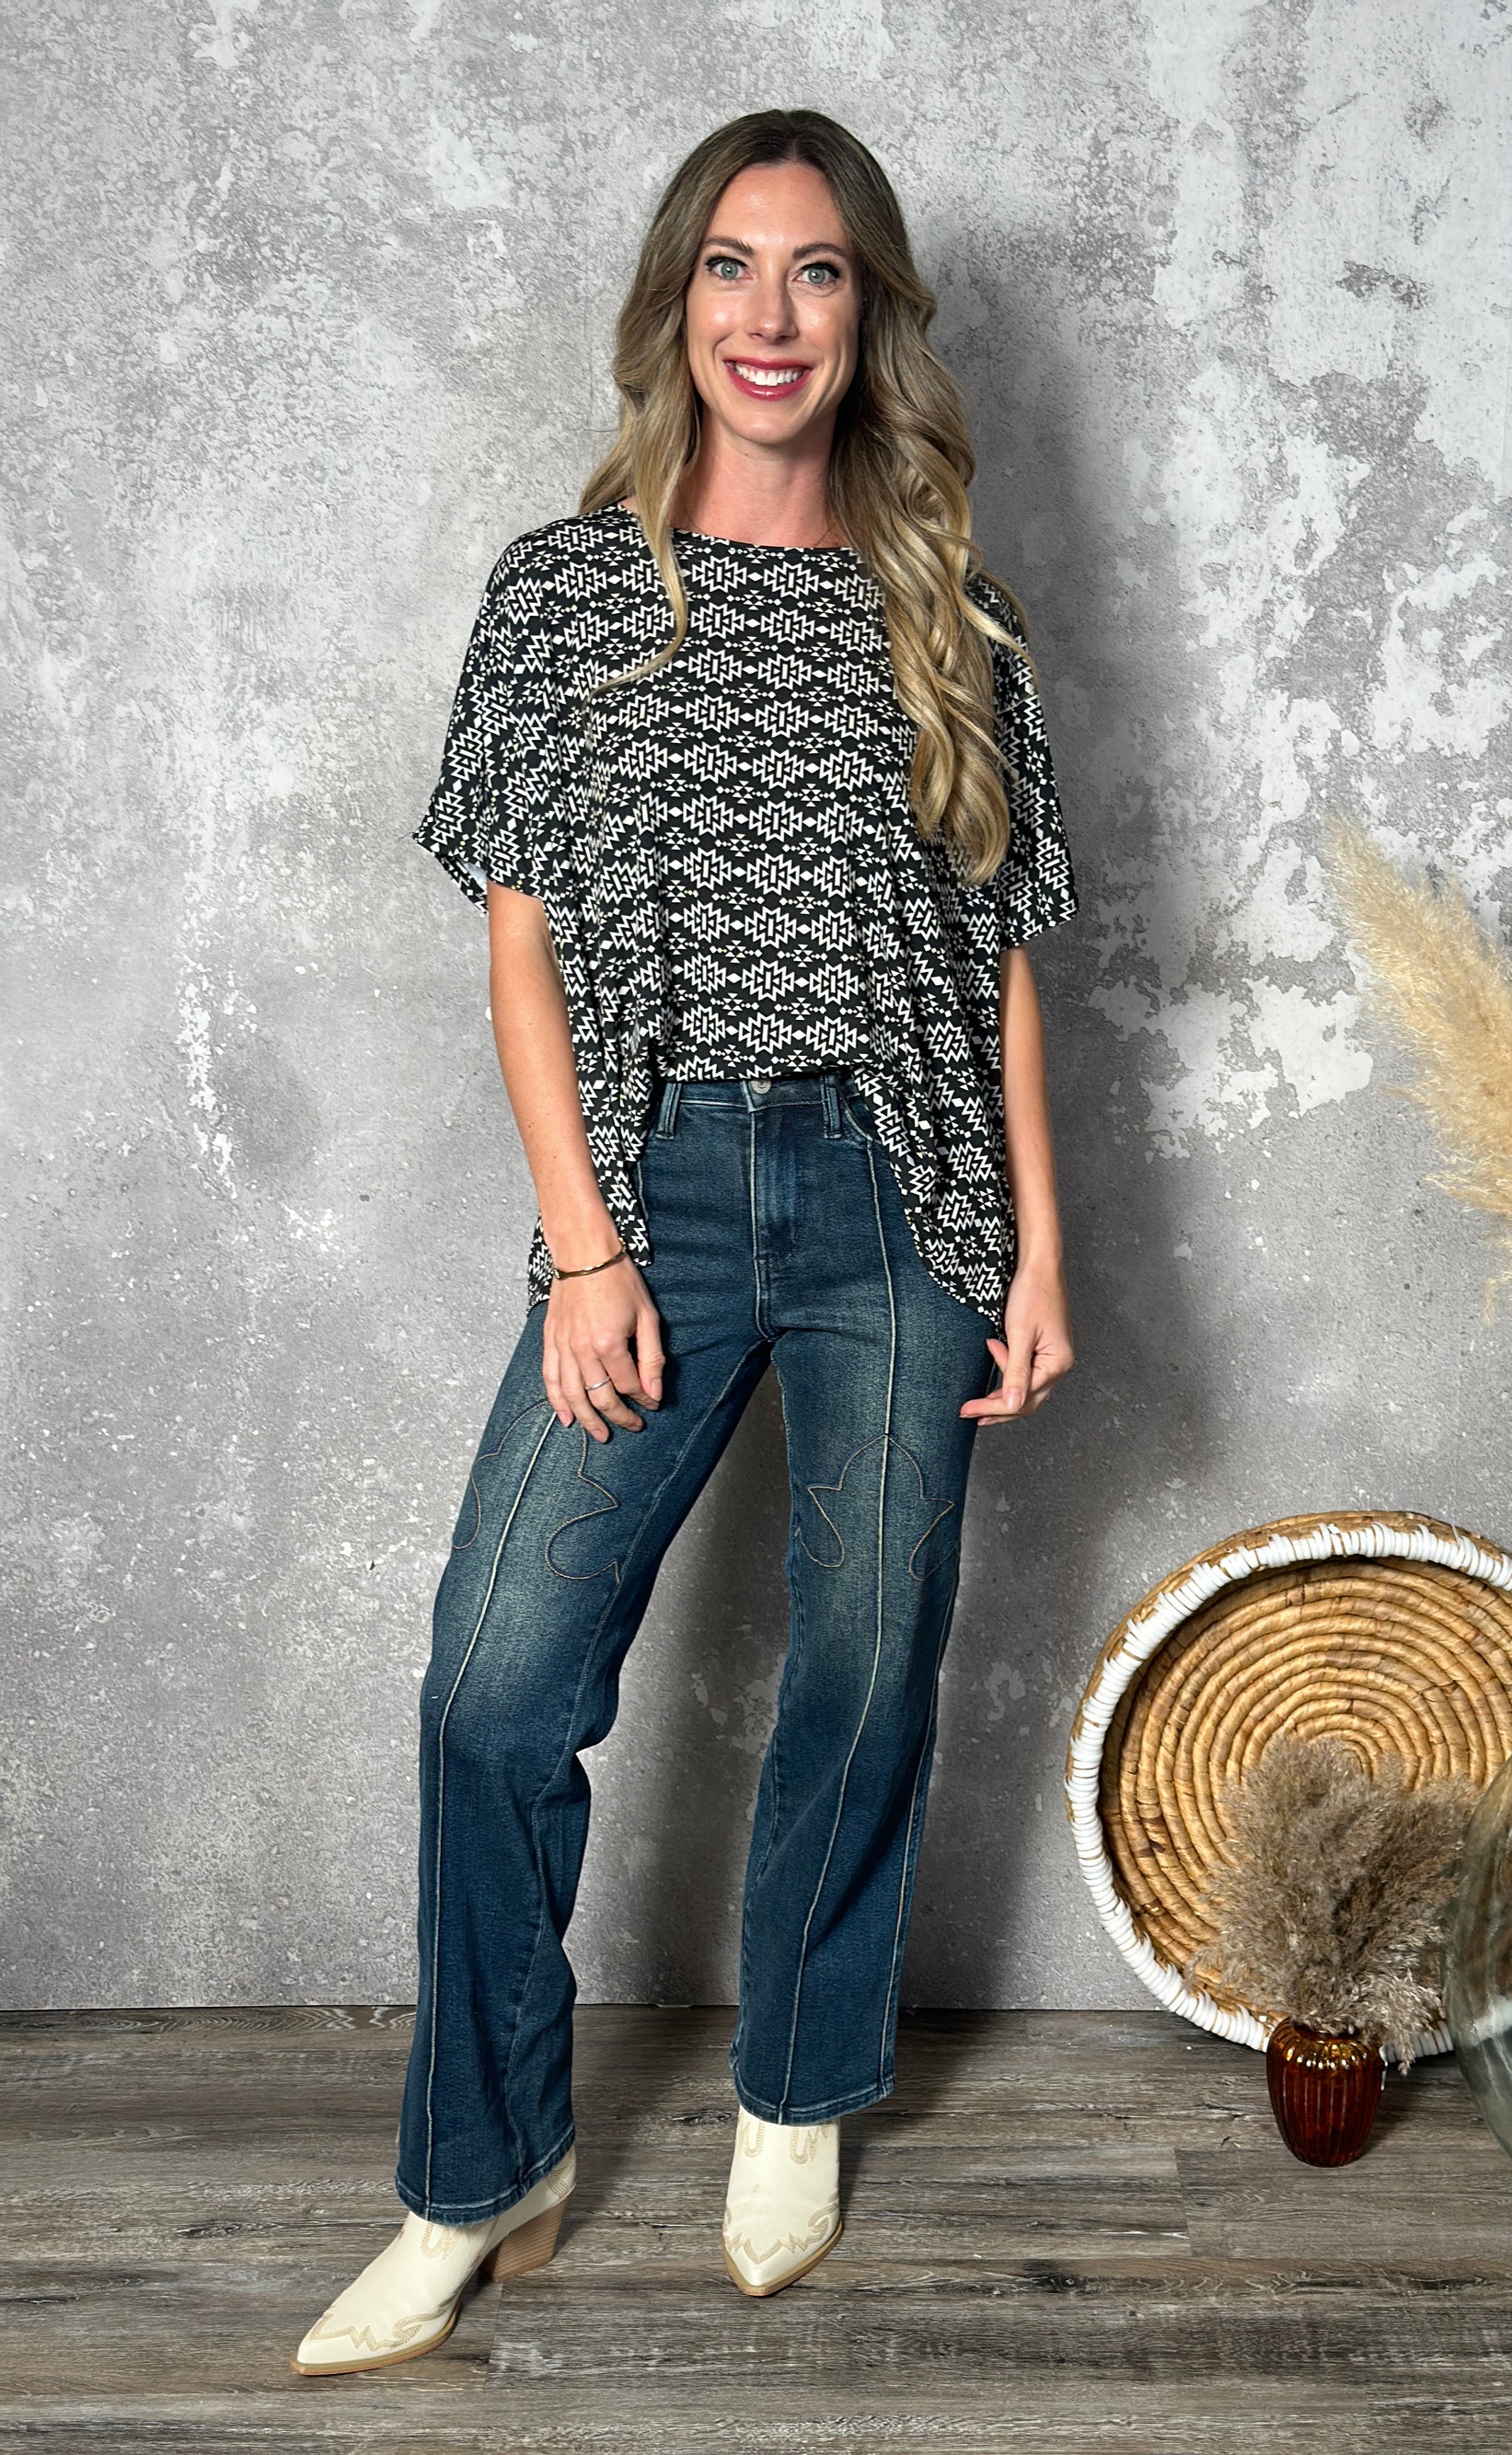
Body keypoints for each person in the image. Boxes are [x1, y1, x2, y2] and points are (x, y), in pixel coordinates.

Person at [294, 106, 1079, 2377]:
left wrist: (1039, 1245)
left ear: (869, 315)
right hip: (657, 1193)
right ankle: (480, 2167)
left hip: (905, 1198)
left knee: (862, 1662)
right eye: (733, 266)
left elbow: (1001, 958)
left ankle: (798, 2084)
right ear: (677, 303)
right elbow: (519, 936)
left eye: (818, 271)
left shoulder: (955, 613)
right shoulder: (567, 591)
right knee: (493, 1683)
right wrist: (582, 1245)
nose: (771, 314)